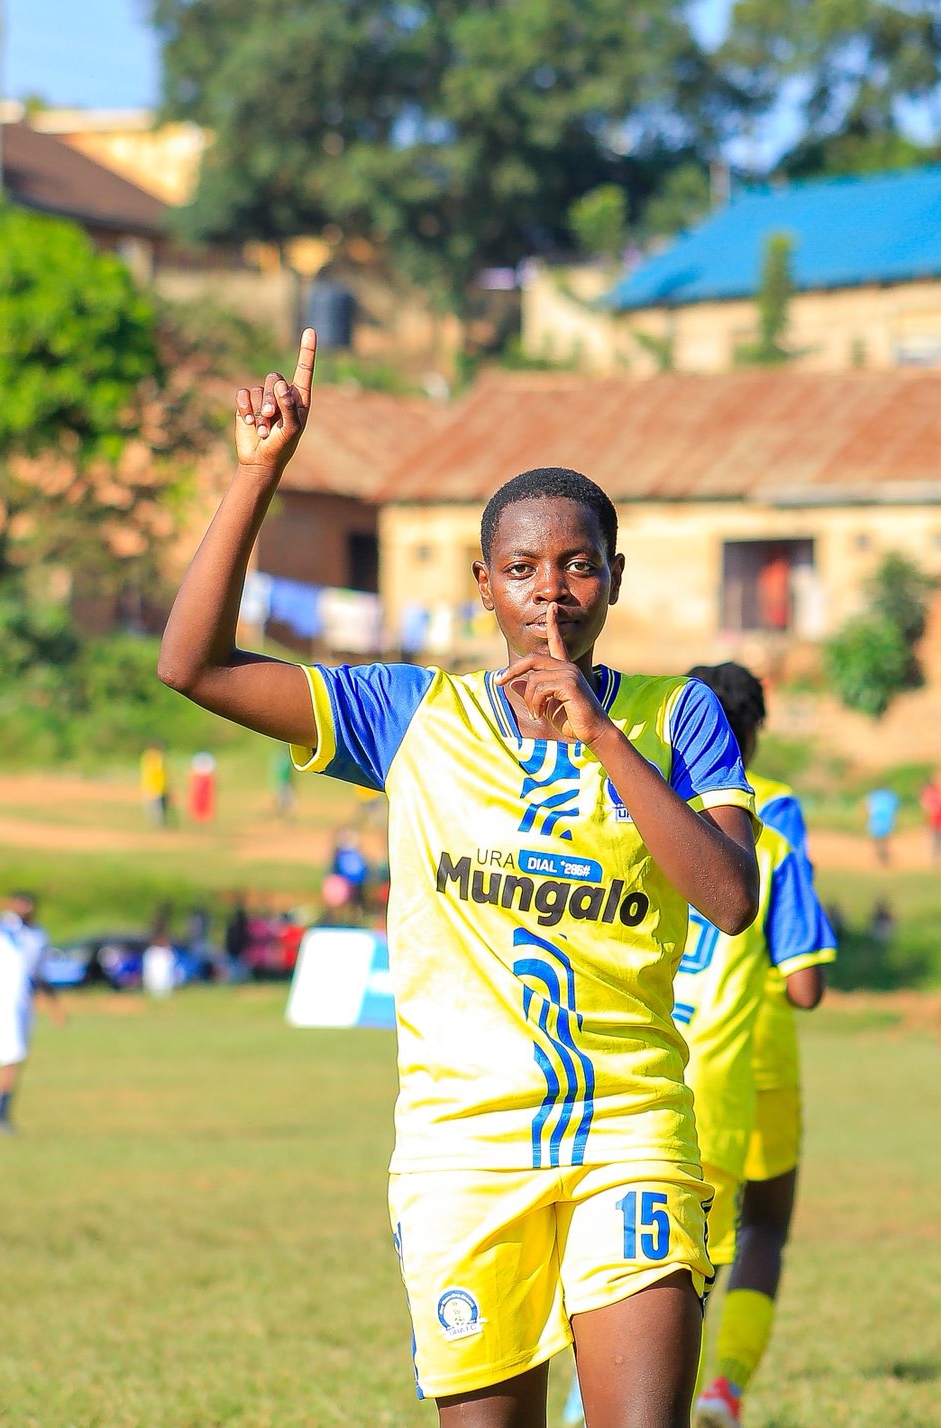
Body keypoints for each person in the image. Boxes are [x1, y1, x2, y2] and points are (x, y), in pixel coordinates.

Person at [154, 331, 760, 1427]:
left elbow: (727, 898)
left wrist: (604, 740)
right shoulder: (409, 716)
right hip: (459, 1149)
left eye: (578, 564)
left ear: (614, 578)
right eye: (521, 569)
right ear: (482, 586)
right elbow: (191, 665)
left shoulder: (677, 715)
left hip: (630, 1132)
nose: (551, 592)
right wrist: (258, 474)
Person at [686, 664, 836, 1428]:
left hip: (649, 1045)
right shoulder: (771, 810)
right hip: (754, 1042)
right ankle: (724, 1386)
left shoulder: (634, 798)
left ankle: (597, 1387)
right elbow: (801, 976)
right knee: (759, 1228)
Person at [0, 892, 67, 1134]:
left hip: (25, 1001)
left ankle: (1, 1114)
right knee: (11, 1057)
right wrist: (0, 904)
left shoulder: (38, 936)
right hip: (0, 1001)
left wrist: (54, 1007)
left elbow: (39, 973)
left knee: (17, 1057)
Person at [331, 827, 370, 916]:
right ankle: (355, 911)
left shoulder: (345, 854)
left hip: (354, 880)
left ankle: (355, 911)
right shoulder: (350, 854)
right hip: (353, 880)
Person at [862, 786, 898, 866]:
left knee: (876, 840)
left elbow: (867, 806)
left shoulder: (873, 795)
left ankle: (880, 857)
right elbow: (895, 808)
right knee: (885, 840)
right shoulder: (890, 795)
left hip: (875, 819)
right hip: (887, 819)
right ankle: (884, 857)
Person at [141, 742, 171, 826]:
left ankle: (155, 824)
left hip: (148, 785)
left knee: (151, 807)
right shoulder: (158, 757)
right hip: (157, 786)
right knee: (159, 808)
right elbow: (161, 772)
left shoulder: (146, 756)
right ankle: (160, 825)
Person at [272, 743, 297, 821]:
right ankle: (283, 814)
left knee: (283, 799)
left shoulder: (278, 759)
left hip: (282, 782)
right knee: (287, 799)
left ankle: (282, 814)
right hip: (285, 783)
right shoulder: (285, 760)